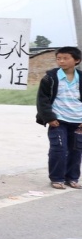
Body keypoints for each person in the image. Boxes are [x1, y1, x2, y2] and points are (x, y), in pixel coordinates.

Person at [36, 46, 82, 190]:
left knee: (76, 150)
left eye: (65, 58)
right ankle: (57, 178)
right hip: (58, 120)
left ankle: (72, 178)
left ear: (77, 60)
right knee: (59, 148)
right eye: (58, 58)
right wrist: (49, 117)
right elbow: (42, 99)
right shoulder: (50, 78)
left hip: (78, 121)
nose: (61, 61)